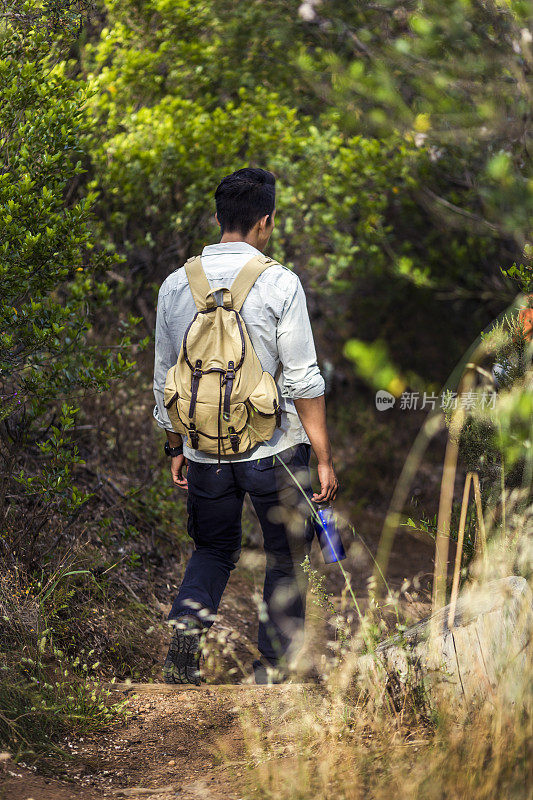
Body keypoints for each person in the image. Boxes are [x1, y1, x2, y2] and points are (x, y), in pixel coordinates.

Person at [153, 167, 338, 684]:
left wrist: (177, 444)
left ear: (217, 220)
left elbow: (164, 378)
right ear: (267, 221)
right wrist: (322, 456)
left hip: (203, 451)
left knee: (211, 549)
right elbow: (303, 379)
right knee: (286, 555)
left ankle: (183, 653)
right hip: (274, 450)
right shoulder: (280, 282)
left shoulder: (175, 285)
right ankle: (274, 669)